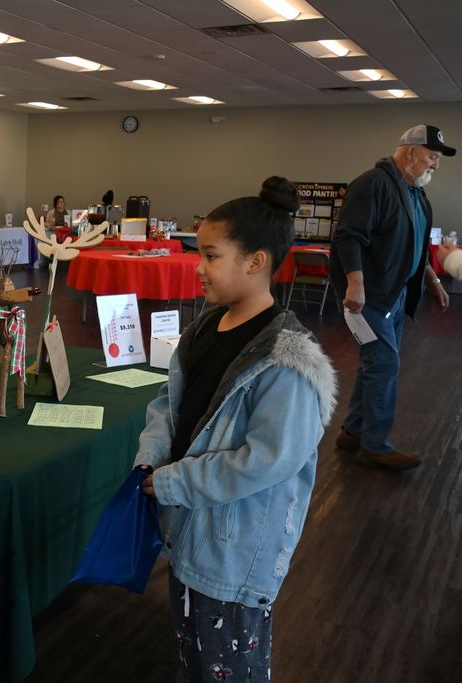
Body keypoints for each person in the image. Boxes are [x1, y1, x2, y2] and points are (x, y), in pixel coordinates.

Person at [134, 177, 336, 682]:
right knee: (193, 654)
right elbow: (170, 403)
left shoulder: (285, 361)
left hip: (234, 549)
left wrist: (176, 482)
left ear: (255, 261)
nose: (199, 268)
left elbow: (266, 460)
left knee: (230, 666)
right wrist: (152, 455)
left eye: (210, 255)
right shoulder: (205, 326)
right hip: (188, 530)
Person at [331, 124, 452, 470]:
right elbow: (347, 237)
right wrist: (355, 284)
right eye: (432, 156)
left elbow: (416, 245)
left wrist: (432, 280)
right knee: (385, 364)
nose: (435, 164)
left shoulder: (416, 193)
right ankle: (376, 445)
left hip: (395, 294)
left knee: (376, 364)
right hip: (368, 298)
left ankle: (353, 431)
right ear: (410, 152)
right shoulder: (372, 184)